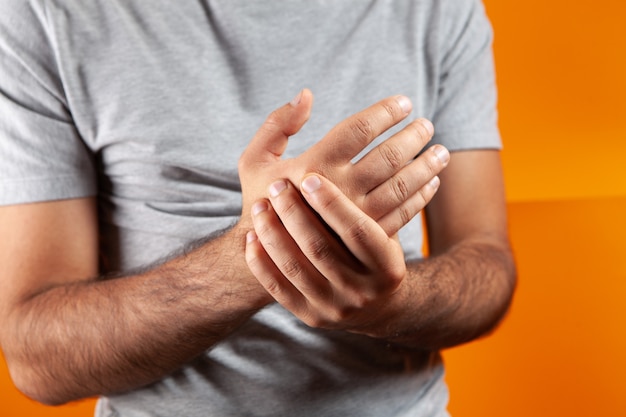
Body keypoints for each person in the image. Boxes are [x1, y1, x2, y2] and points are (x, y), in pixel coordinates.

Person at [0, 0, 516, 416]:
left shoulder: (442, 9)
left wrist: (393, 303)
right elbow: (37, 357)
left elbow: (485, 264)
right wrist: (264, 248)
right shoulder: (43, 13)